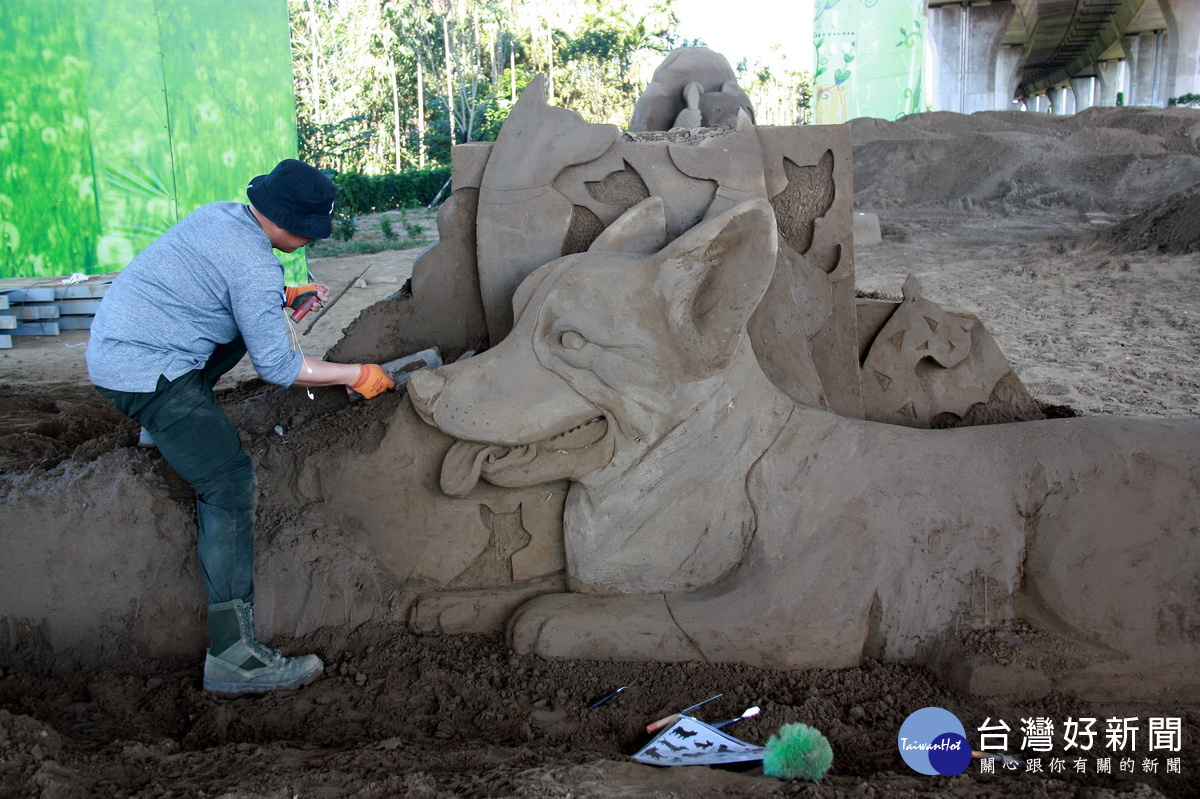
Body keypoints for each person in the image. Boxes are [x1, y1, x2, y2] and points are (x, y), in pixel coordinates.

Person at [87, 159, 394, 697]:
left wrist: (280, 300)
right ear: (290, 222)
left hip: (126, 342)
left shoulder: (223, 218)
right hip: (142, 370)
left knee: (240, 330)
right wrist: (357, 373)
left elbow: (220, 291)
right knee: (228, 483)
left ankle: (165, 430)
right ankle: (233, 654)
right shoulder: (254, 266)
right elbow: (277, 369)